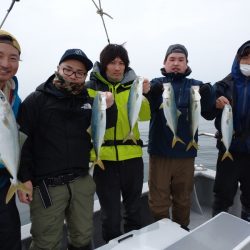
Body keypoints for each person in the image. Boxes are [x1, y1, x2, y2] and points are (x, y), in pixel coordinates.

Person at [17, 48, 116, 250]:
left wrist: (110, 106)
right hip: (46, 186)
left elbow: (107, 125)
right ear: (58, 69)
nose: (73, 76)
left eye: (80, 73)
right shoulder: (36, 100)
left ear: (85, 77)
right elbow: (22, 144)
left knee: (82, 237)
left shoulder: (89, 101)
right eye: (68, 70)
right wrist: (24, 178)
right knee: (46, 242)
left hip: (81, 181)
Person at [85, 43, 151, 243]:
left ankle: (134, 245)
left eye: (121, 63)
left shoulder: (133, 87)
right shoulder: (90, 89)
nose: (117, 67)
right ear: (103, 65)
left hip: (132, 158)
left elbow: (146, 116)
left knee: (134, 210)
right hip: (103, 160)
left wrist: (145, 95)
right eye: (112, 62)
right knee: (110, 215)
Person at [146, 44, 214, 230]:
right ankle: (162, 231)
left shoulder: (195, 85)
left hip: (186, 154)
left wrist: (209, 93)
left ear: (186, 63)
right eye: (172, 59)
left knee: (183, 198)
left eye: (181, 60)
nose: (176, 63)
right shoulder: (156, 84)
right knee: (159, 199)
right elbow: (146, 111)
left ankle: (182, 230)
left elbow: (209, 113)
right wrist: (150, 94)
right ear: (165, 62)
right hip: (160, 154)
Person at [210, 41, 250, 222]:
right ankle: (218, 228)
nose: (248, 62)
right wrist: (214, 102)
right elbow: (207, 112)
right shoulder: (224, 84)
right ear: (238, 59)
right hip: (229, 148)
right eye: (245, 58)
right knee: (223, 194)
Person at [0, 29, 22, 250]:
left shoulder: (15, 99)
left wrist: (23, 177)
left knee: (10, 241)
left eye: (13, 58)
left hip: (4, 182)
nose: (6, 63)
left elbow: (21, 140)